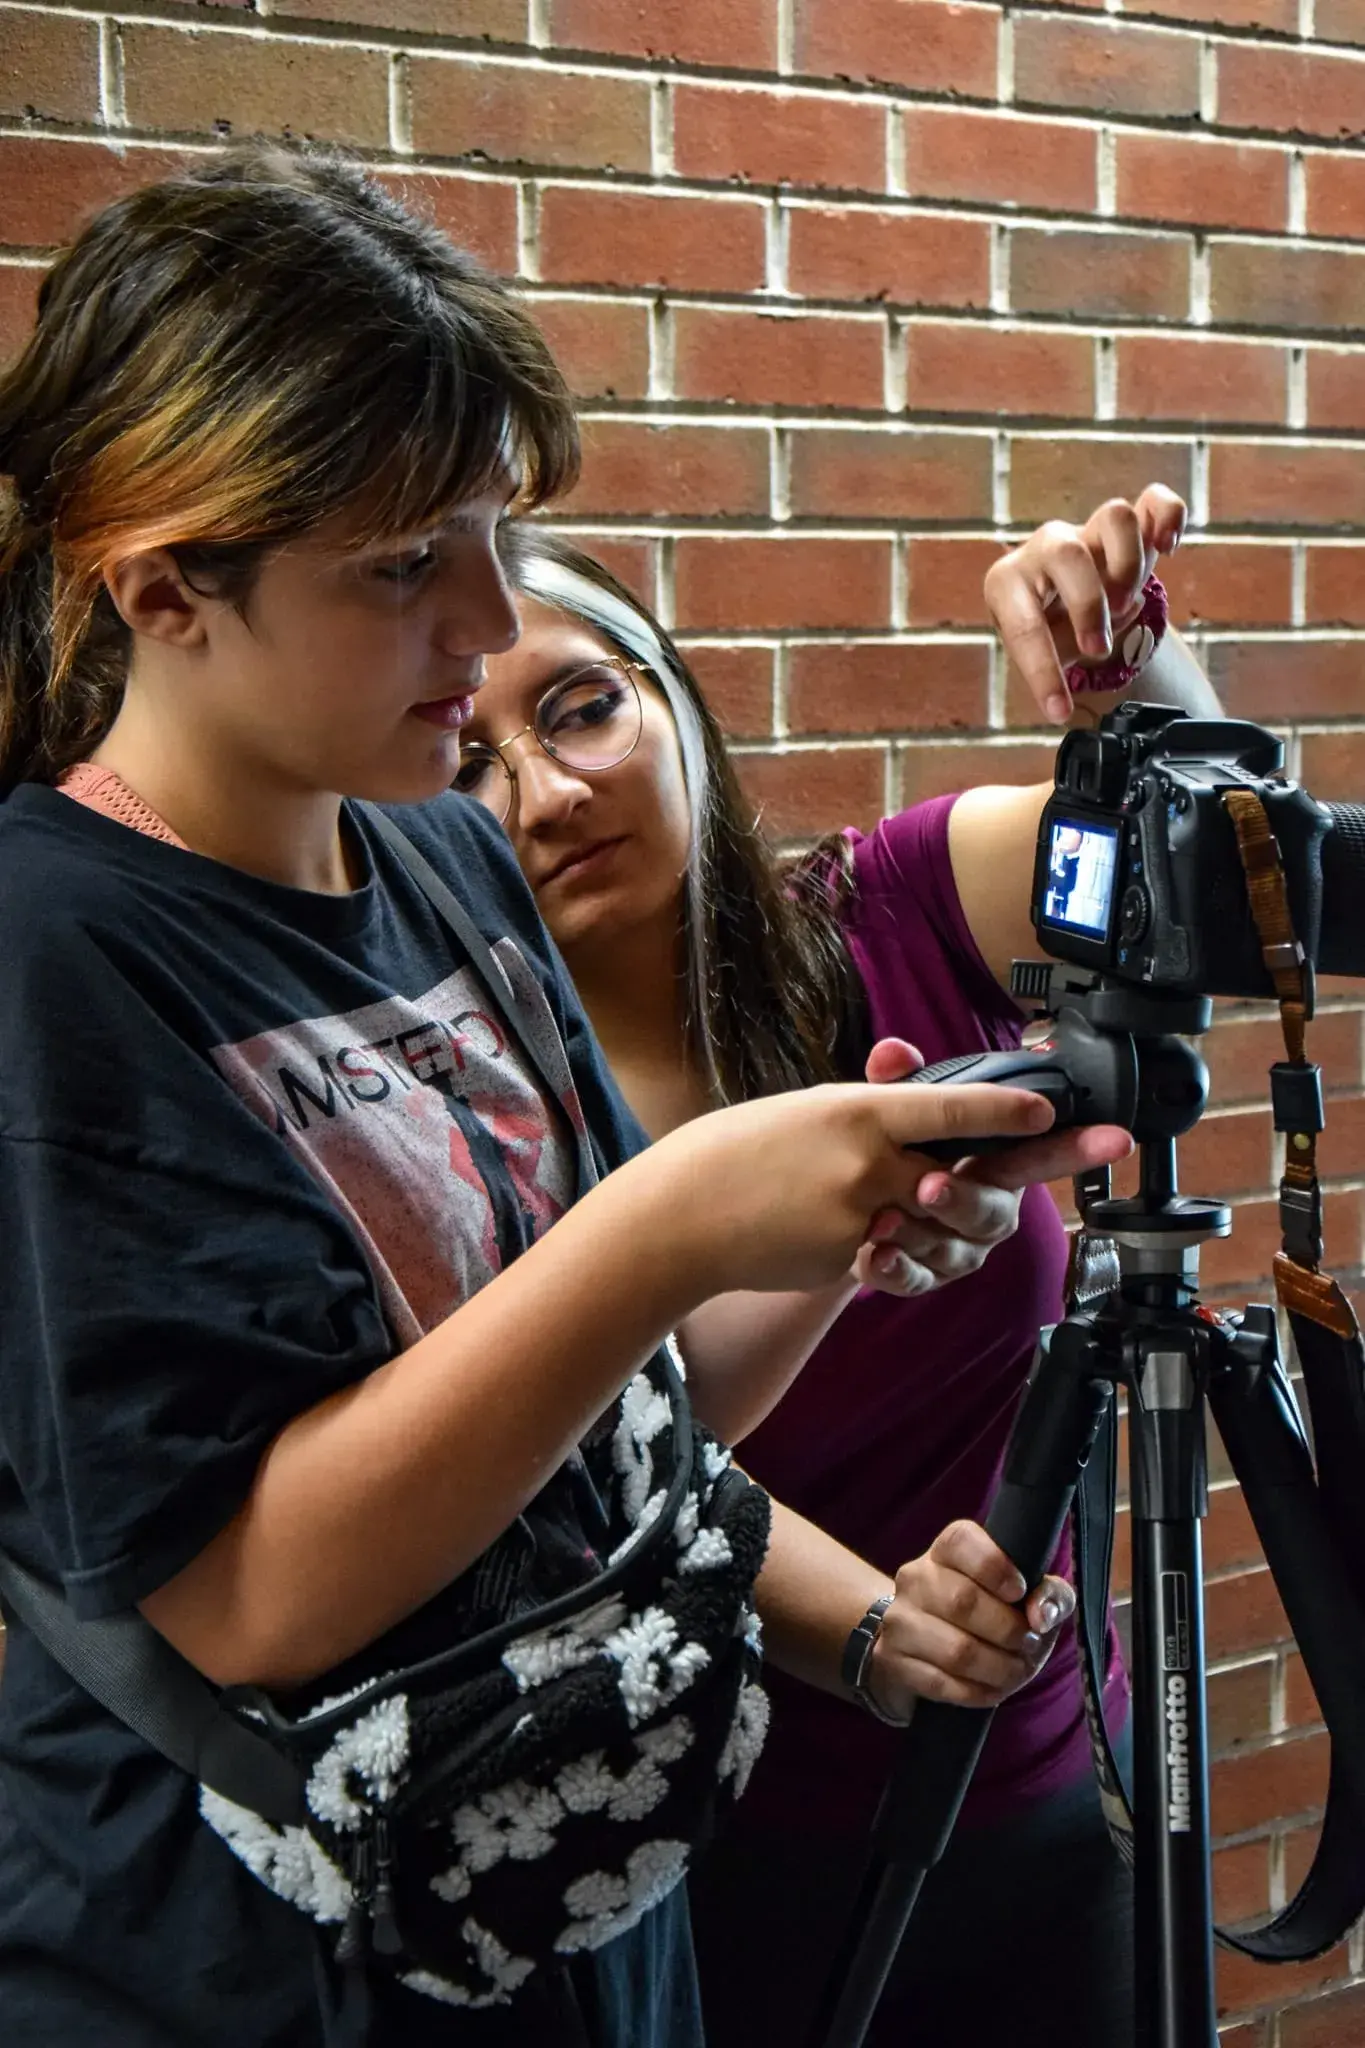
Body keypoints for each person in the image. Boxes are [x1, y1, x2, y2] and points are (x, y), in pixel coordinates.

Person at [0, 146, 1132, 2048]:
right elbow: (241, 1601)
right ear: (166, 587)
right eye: (397, 565)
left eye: (489, 536)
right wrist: (672, 1214)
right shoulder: (55, 949)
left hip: (584, 1934)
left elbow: (623, 1420)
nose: (479, 620)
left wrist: (838, 1229)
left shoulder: (437, 860)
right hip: (260, 1971)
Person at [468, 500, 1224, 2048]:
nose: (545, 794)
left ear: (673, 692)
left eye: (581, 705)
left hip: (1048, 1796)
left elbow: (1197, 879)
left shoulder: (897, 906)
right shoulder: (468, 1119)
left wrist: (1134, 694)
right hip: (715, 1857)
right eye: (470, 761)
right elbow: (587, 1477)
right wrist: (877, 1622)